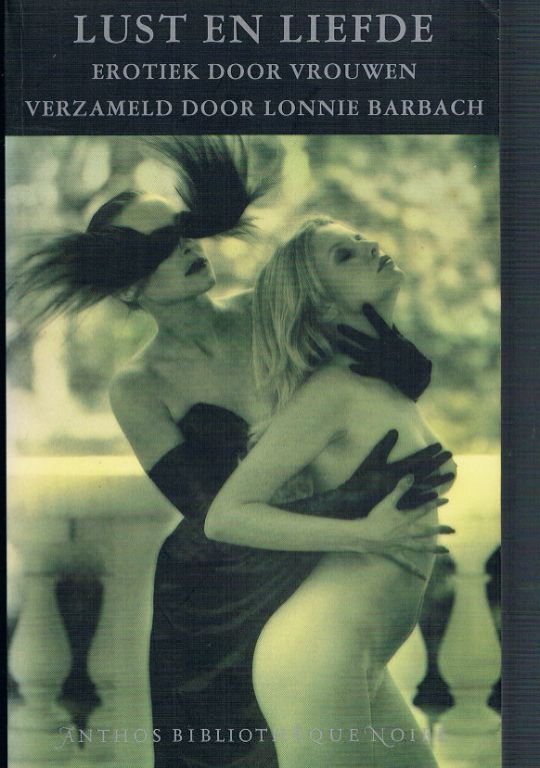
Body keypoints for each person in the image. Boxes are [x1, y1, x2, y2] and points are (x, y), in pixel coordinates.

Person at [10, 137, 455, 768]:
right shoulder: (138, 387)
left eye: (180, 233)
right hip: (214, 602)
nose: (186, 250)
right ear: (128, 290)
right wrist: (355, 508)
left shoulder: (268, 313)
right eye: (158, 250)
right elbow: (211, 512)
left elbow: (370, 398)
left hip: (316, 576)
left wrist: (406, 367)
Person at [205, 216, 457, 767]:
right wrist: (363, 534)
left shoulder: (382, 377)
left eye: (359, 239)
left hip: (360, 657)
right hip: (316, 654)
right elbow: (225, 515)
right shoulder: (333, 391)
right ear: (319, 305)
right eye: (344, 255)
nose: (369, 245)